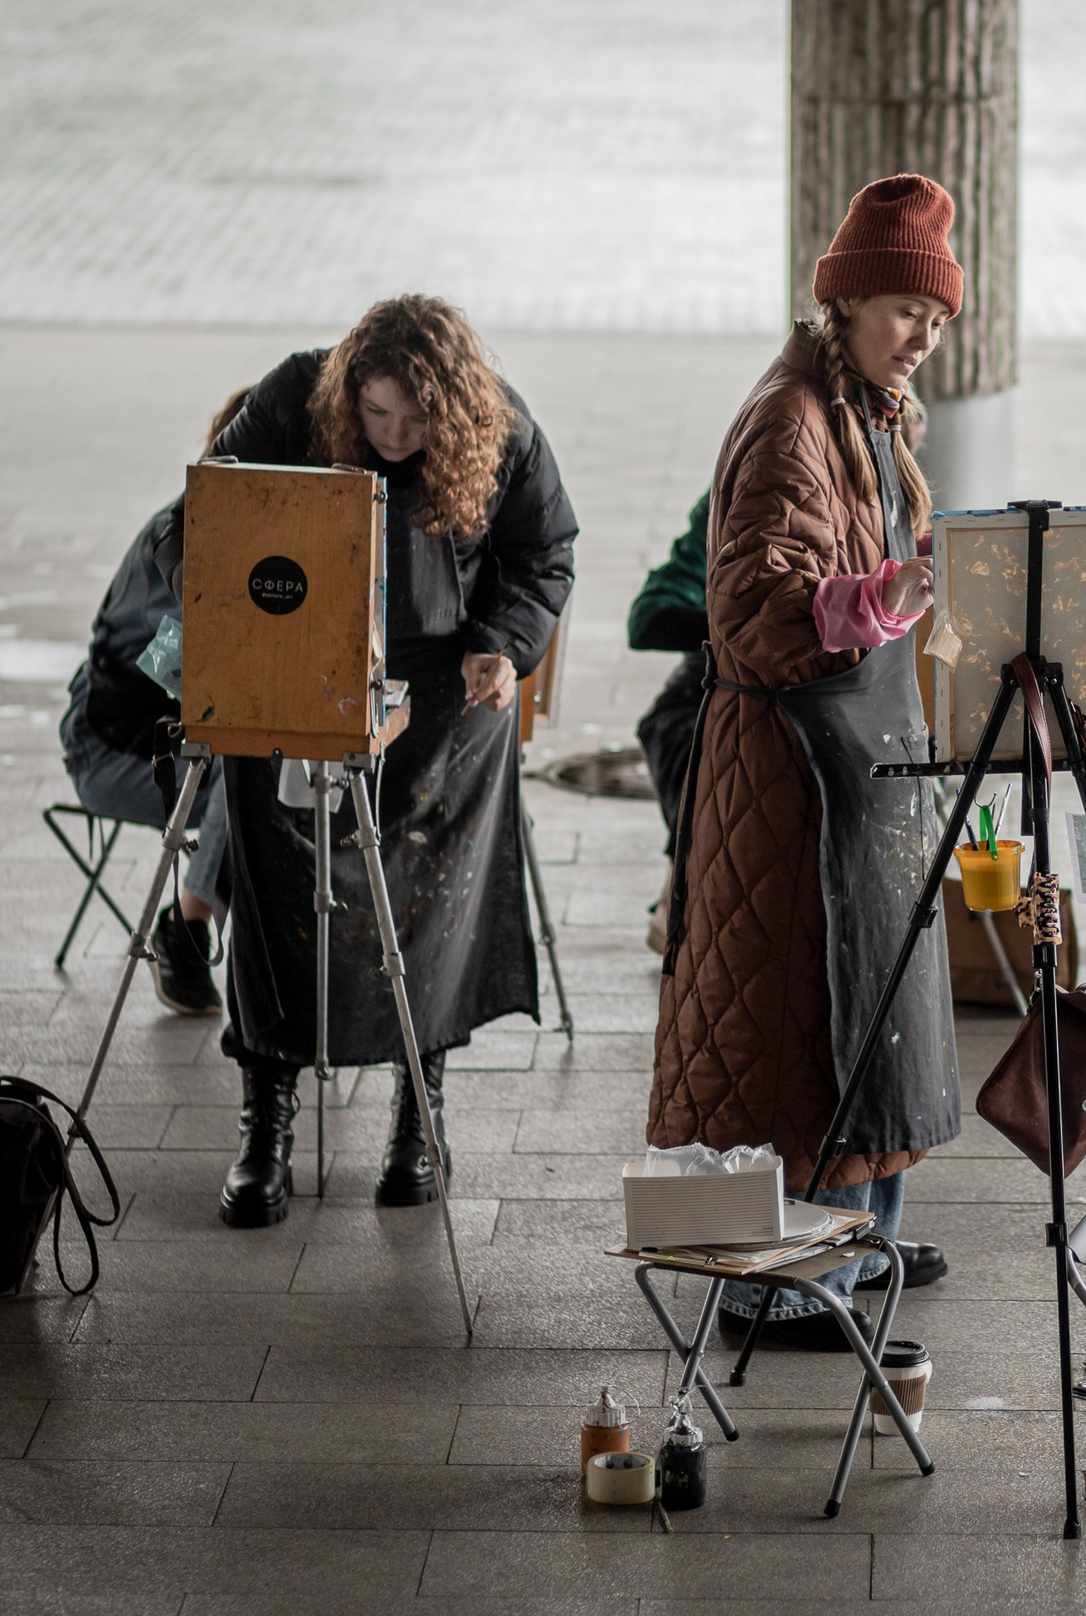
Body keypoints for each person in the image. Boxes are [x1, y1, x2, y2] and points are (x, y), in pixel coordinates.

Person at [184, 295, 578, 1226]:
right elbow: (208, 516)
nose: (396, 436)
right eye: (377, 413)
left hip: (446, 690)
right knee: (277, 889)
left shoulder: (505, 426)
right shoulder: (293, 394)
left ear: (456, 409)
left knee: (426, 898)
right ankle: (266, 1119)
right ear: (348, 390)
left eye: (418, 420)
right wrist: (242, 637)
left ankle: (418, 1112)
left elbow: (544, 552)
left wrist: (502, 643)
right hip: (297, 671)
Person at [654, 174, 966, 1349]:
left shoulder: (865, 407)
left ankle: (859, 1236)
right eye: (904, 313)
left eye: (935, 319)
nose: (921, 338)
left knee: (872, 1007)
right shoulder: (792, 417)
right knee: (801, 1027)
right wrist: (881, 596)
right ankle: (775, 1285)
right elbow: (746, 612)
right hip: (789, 766)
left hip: (852, 749)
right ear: (845, 305)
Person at [59, 389, 249, 1016]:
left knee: (285, 771)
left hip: (173, 739)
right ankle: (186, 930)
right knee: (253, 773)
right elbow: (177, 672)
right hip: (114, 750)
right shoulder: (181, 539)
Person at [626, 489, 710, 951]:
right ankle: (683, 893)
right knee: (689, 739)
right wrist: (743, 628)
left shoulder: (890, 502)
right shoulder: (745, 489)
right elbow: (648, 619)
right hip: (712, 684)